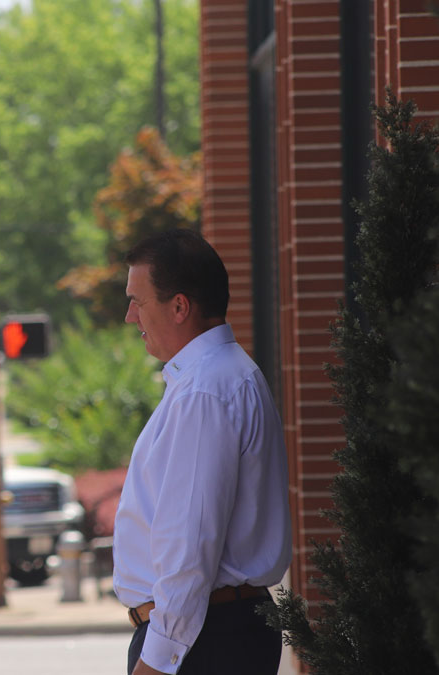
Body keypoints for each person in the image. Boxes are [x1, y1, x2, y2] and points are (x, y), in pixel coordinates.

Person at [114, 229, 291, 675]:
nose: (130, 315)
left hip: (203, 641)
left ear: (179, 306)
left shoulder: (205, 392)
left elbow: (188, 547)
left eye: (139, 301)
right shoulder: (224, 377)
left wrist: (156, 663)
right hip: (215, 633)